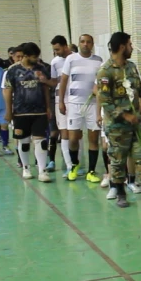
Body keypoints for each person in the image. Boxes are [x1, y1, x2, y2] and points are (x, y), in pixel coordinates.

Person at [96, 31, 141, 208]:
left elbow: (140, 90)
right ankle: (120, 192)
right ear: (122, 46)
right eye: (130, 44)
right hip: (117, 127)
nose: (131, 48)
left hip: (135, 125)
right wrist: (125, 115)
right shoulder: (105, 72)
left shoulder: (131, 67)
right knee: (118, 160)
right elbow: (105, 101)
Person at [2, 43, 52, 182]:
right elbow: (7, 91)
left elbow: (46, 88)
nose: (37, 59)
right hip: (20, 112)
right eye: (34, 57)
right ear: (25, 56)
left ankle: (42, 170)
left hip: (39, 111)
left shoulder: (41, 69)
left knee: (40, 141)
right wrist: (8, 110)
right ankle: (26, 167)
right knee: (23, 141)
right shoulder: (13, 70)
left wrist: (48, 107)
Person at [59, 34, 104, 182]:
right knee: (73, 138)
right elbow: (64, 81)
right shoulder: (70, 59)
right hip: (74, 104)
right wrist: (61, 101)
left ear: (92, 44)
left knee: (93, 138)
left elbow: (101, 83)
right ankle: (74, 165)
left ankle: (91, 171)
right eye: (82, 42)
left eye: (88, 42)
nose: (85, 44)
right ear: (79, 44)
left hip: (92, 104)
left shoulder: (98, 61)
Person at [49, 36, 72, 174]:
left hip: (76, 99)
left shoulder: (75, 58)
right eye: (54, 50)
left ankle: (76, 163)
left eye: (57, 49)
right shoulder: (55, 62)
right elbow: (54, 82)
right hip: (60, 100)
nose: (56, 52)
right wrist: (44, 80)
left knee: (76, 133)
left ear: (65, 46)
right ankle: (69, 165)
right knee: (64, 131)